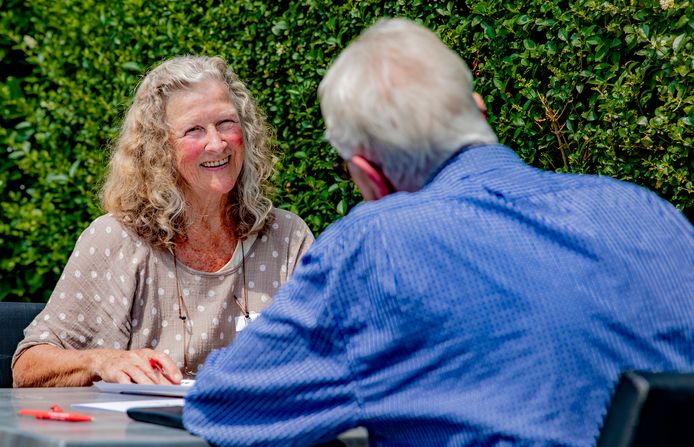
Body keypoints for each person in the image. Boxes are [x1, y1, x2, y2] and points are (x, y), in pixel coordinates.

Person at [183, 18, 694, 447]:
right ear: (478, 108)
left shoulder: (378, 246)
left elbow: (225, 404)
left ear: (369, 174)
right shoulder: (650, 214)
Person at [12, 56, 314, 387]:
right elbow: (28, 367)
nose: (216, 143)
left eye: (227, 123)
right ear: (159, 148)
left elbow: (331, 353)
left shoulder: (287, 238)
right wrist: (102, 360)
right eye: (194, 130)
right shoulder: (116, 240)